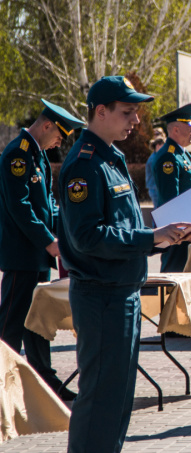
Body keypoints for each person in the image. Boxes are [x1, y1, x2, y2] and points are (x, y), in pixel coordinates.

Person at [58, 75, 190, 453]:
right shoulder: (85, 165)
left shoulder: (109, 157)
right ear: (101, 112)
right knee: (100, 400)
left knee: (116, 401)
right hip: (102, 298)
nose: (135, 120)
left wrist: (157, 234)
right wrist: (152, 238)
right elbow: (88, 236)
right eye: (127, 112)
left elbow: (121, 227)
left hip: (122, 294)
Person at [0, 99, 84, 402]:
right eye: (59, 135)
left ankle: (45, 384)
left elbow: (45, 204)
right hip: (22, 254)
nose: (59, 142)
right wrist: (49, 240)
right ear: (46, 125)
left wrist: (62, 234)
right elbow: (20, 206)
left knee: (37, 322)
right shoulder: (18, 154)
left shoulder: (37, 154)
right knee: (10, 325)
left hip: (37, 253)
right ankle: (3, 388)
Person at [154, 103, 191, 272]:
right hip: (178, 232)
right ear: (175, 130)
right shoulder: (169, 156)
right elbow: (170, 201)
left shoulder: (182, 153)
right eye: (189, 127)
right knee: (174, 274)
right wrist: (185, 232)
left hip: (188, 228)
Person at [145, 135, 165, 206]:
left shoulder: (155, 157)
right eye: (163, 145)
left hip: (154, 188)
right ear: (158, 145)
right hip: (154, 188)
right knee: (159, 211)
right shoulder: (154, 159)